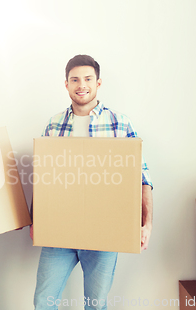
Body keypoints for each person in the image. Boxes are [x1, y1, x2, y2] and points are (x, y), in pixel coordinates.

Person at [31, 55, 153, 310]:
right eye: (75, 79)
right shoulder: (54, 125)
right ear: (66, 84)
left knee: (96, 305)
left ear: (98, 83)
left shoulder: (120, 123)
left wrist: (146, 223)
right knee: (43, 302)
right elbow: (43, 178)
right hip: (60, 231)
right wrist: (36, 221)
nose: (81, 85)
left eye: (87, 79)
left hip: (105, 232)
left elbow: (141, 177)